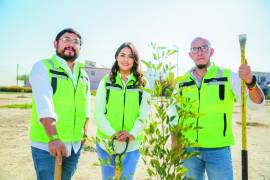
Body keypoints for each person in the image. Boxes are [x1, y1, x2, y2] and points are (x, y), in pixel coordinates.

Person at [171, 37, 264, 180]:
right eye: (195, 49)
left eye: (204, 47)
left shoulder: (227, 76)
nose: (200, 52)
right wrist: (175, 144)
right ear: (190, 55)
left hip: (218, 150)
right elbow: (174, 115)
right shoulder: (182, 82)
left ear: (211, 51)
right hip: (188, 151)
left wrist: (250, 82)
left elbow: (256, 105)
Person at [29, 28, 90, 180]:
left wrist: (85, 133)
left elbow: (86, 107)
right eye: (66, 40)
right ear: (55, 43)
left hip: (74, 146)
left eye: (76, 42)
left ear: (80, 48)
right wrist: (53, 138)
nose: (71, 44)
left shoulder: (83, 74)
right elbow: (45, 107)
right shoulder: (43, 67)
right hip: (48, 146)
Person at [94, 42, 149, 180]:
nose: (126, 59)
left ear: (135, 59)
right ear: (116, 57)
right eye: (122, 55)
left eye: (130, 56)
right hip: (106, 144)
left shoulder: (143, 84)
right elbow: (99, 113)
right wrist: (113, 134)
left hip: (132, 145)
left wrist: (132, 133)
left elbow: (144, 114)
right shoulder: (106, 81)